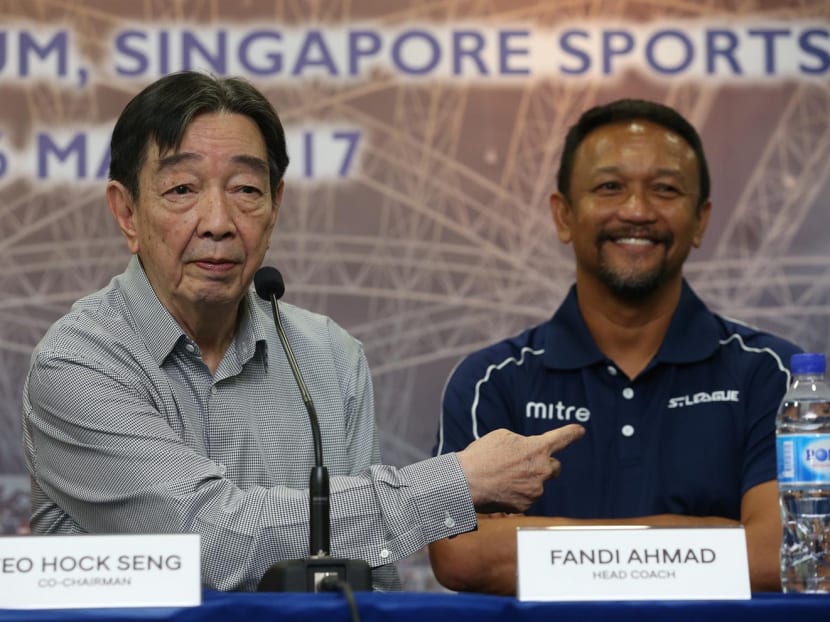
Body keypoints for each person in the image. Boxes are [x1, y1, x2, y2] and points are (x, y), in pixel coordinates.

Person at [21, 71, 584, 592]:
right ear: (127, 213)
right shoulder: (79, 363)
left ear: (276, 204)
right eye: (182, 190)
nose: (218, 222)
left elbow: (368, 574)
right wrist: (455, 483)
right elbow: (210, 540)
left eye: (245, 189)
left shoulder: (328, 355)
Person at [430, 98, 801, 594]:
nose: (636, 211)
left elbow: (783, 554)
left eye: (665, 189)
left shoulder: (772, 374)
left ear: (701, 221)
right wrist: (713, 535)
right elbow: (461, 554)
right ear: (563, 215)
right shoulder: (492, 380)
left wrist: (543, 543)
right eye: (609, 187)